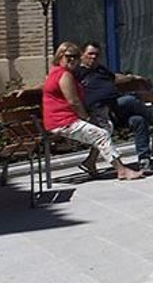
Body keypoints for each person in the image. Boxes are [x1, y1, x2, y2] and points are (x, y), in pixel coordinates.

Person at [42, 41, 146, 181]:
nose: (73, 59)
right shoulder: (64, 75)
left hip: (63, 119)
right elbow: (74, 102)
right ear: (60, 56)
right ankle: (122, 171)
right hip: (62, 122)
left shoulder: (56, 72)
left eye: (76, 56)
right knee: (101, 134)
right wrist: (86, 118)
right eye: (69, 56)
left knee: (106, 126)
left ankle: (90, 162)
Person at [77, 42, 153, 172]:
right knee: (130, 100)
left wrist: (131, 77)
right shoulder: (76, 72)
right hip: (100, 113)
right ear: (82, 55)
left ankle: (144, 161)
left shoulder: (101, 70)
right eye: (90, 54)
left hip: (115, 110)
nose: (93, 57)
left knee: (138, 120)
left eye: (96, 54)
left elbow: (115, 78)